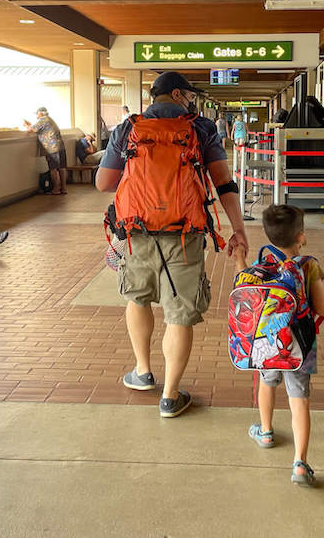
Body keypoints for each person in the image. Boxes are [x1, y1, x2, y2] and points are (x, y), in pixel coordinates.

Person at [96, 71, 248, 418]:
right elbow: (223, 182)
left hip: (136, 233)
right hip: (185, 232)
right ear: (177, 94)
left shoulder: (127, 128)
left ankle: (142, 371)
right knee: (179, 314)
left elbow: (104, 183)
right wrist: (238, 230)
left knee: (137, 298)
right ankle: (170, 395)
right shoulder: (201, 128)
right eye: (189, 96)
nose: (192, 101)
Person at [245, 204, 324, 487]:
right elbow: (321, 306)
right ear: (301, 237)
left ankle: (266, 431)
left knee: (266, 383)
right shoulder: (308, 265)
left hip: (267, 345)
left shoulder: (262, 266)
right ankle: (300, 462)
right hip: (299, 346)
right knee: (299, 400)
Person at [24, 107, 67, 195]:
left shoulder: (43, 120)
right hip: (60, 146)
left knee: (53, 168)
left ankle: (56, 189)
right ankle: (63, 188)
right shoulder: (49, 120)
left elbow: (31, 130)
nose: (36, 116)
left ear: (41, 113)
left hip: (51, 148)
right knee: (62, 168)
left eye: (37, 114)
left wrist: (26, 125)